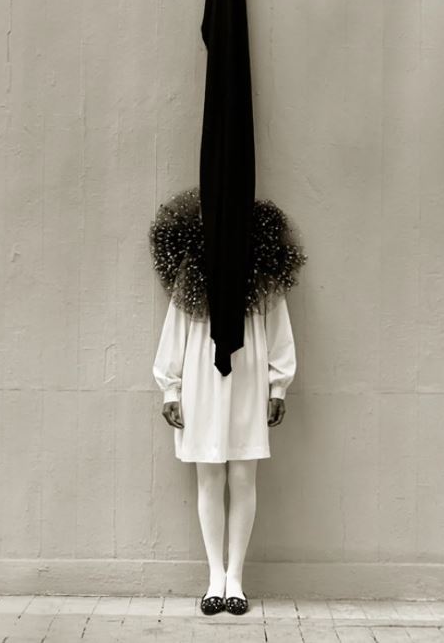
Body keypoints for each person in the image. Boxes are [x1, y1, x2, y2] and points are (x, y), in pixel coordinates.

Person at [150, 186, 305, 615]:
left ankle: (236, 578)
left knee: (242, 477)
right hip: (202, 380)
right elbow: (175, 331)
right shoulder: (193, 272)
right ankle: (213, 577)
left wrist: (278, 386)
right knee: (208, 478)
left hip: (248, 380)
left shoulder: (262, 272)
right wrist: (170, 388)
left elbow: (279, 332)